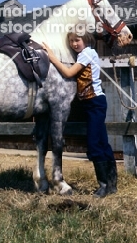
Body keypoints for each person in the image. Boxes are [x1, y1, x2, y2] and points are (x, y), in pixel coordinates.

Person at [43, 29, 117, 197]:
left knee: (93, 144)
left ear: (86, 39)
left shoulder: (87, 53)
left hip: (95, 102)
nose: (74, 44)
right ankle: (111, 185)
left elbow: (69, 73)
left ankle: (104, 185)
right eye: (71, 41)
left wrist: (52, 57)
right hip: (92, 103)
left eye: (78, 40)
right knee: (102, 142)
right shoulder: (84, 54)